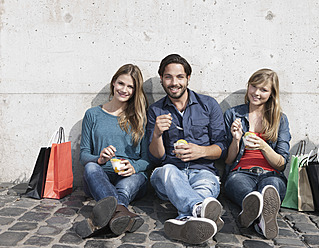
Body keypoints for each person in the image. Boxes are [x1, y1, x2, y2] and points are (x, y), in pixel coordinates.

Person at [147, 54, 227, 244]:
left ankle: (187, 218)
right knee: (166, 171)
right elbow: (156, 157)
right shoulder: (156, 110)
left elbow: (222, 148)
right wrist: (157, 133)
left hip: (203, 172)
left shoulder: (208, 105)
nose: (174, 82)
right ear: (161, 79)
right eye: (168, 77)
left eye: (180, 77)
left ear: (188, 78)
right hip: (170, 176)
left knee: (206, 190)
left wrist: (202, 151)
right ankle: (199, 210)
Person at [76, 64, 150, 238]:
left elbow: (147, 159)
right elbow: (84, 156)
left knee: (127, 185)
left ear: (135, 90)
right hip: (99, 177)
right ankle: (122, 213)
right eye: (121, 83)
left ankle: (104, 219)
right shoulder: (92, 114)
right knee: (90, 167)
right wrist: (100, 159)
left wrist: (133, 167)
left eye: (130, 86)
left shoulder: (140, 117)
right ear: (113, 83)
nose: (124, 90)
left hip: (130, 176)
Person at [223, 68, 291, 239]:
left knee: (271, 188)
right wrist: (236, 140)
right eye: (254, 86)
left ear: (272, 93)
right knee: (250, 196)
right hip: (240, 173)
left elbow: (281, 163)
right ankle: (262, 218)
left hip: (271, 174)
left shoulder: (280, 119)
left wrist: (263, 146)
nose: (256, 93)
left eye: (264, 89)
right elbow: (228, 159)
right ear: (248, 87)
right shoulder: (233, 114)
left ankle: (257, 215)